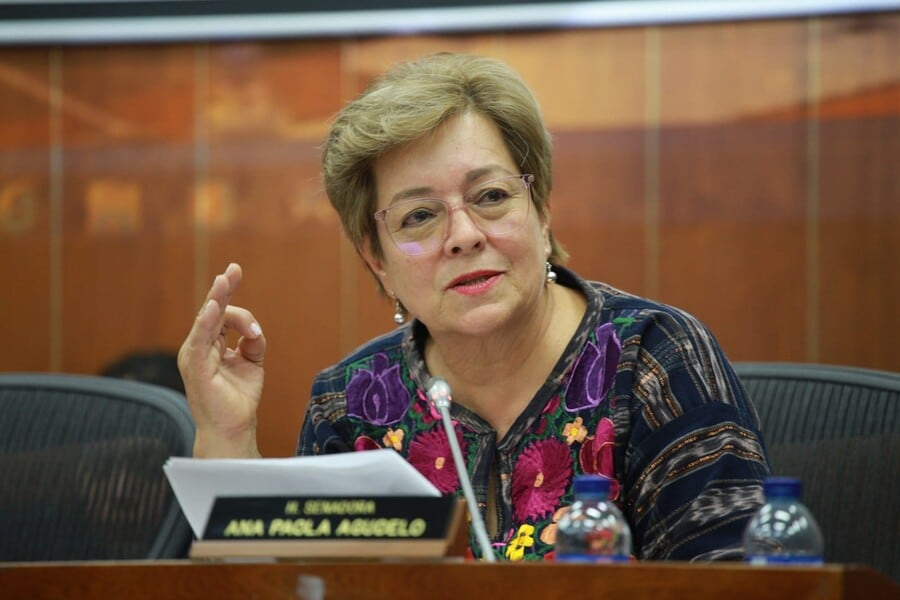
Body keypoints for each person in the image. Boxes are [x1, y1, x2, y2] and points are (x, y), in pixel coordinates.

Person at [178, 52, 770, 562]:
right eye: (418, 216)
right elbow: (284, 589)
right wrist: (226, 438)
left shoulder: (651, 359)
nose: (462, 234)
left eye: (490, 196)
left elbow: (735, 587)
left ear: (540, 211)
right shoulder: (352, 403)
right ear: (377, 258)